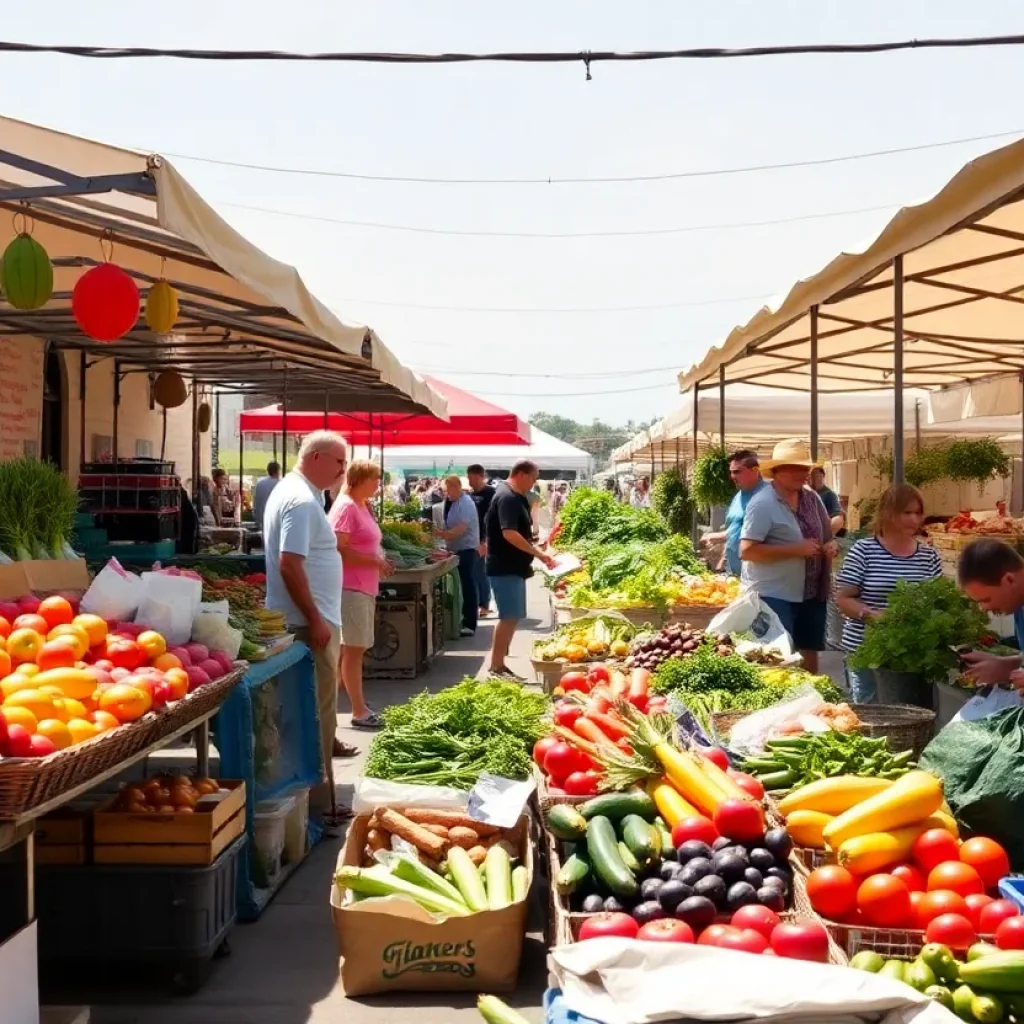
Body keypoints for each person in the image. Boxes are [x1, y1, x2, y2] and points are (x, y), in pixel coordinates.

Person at [262, 430, 350, 822]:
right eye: (338, 462)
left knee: (307, 712)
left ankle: (310, 799)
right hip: (306, 622)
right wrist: (315, 618)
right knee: (317, 712)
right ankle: (318, 804)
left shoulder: (300, 494)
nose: (342, 470)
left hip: (309, 618)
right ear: (315, 457)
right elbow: (290, 563)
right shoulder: (299, 500)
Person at [834, 484, 942, 704]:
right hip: (866, 649)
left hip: (912, 652)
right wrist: (871, 615)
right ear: (888, 513)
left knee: (913, 714)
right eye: (907, 512)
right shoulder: (864, 551)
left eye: (918, 513)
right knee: (871, 715)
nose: (914, 519)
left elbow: (938, 601)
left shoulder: (928, 556)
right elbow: (842, 598)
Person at [740, 439, 837, 674]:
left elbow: (827, 536)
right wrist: (795, 549)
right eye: (794, 468)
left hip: (812, 592)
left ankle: (813, 700)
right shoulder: (762, 504)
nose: (802, 473)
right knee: (778, 658)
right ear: (777, 472)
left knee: (809, 650)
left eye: (805, 468)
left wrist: (831, 545)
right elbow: (747, 551)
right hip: (774, 595)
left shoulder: (812, 498)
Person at [328, 460, 394, 732]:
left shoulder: (362, 505)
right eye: (375, 478)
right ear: (359, 479)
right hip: (350, 587)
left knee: (351, 650)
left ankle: (336, 709)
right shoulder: (345, 507)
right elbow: (339, 548)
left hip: (362, 586)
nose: (378, 483)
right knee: (353, 651)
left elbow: (365, 543)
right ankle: (358, 710)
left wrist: (379, 559)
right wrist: (375, 563)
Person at [485, 459, 556, 678]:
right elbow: (509, 533)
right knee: (509, 617)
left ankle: (499, 664)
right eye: (533, 479)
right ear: (522, 474)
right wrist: (539, 554)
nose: (533, 484)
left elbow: (518, 532)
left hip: (512, 566)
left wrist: (534, 544)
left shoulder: (513, 495)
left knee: (513, 616)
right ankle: (496, 667)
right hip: (504, 566)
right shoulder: (506, 497)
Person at [956, 539, 1024, 687]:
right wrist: (1004, 666)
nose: (984, 609)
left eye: (986, 599)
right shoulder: (1018, 603)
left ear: (1009, 580)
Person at [701, 450, 767, 577]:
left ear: (755, 470)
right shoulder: (738, 496)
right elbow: (736, 529)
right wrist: (715, 540)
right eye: (731, 472)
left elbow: (757, 534)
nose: (732, 476)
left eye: (737, 471)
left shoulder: (766, 496)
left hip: (757, 577)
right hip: (734, 572)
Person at [433, 474, 481, 636]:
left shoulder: (466, 503)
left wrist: (440, 534)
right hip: (456, 548)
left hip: (467, 549)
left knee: (467, 584)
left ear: (456, 487)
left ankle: (470, 622)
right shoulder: (452, 502)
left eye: (447, 490)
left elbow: (459, 530)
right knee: (461, 585)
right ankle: (459, 618)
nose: (446, 494)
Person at [467, 464, 495, 619]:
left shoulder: (491, 493)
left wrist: (485, 541)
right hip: (472, 539)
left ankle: (484, 604)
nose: (470, 482)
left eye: (471, 478)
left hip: (485, 539)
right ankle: (478, 603)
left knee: (481, 572)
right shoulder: (470, 495)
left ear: (479, 476)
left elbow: (492, 520)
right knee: (475, 572)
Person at [811, 466, 846, 536]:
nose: (815, 479)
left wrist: (827, 535)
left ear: (823, 477)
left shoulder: (830, 495)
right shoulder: (805, 492)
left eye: (818, 476)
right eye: (813, 476)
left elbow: (838, 516)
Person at [251, 461, 281, 532]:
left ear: (268, 471)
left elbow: (255, 504)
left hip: (262, 521)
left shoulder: (259, 484)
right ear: (278, 471)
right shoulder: (281, 485)